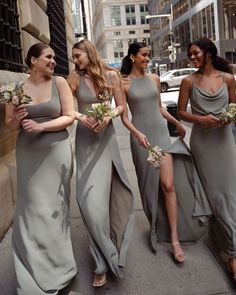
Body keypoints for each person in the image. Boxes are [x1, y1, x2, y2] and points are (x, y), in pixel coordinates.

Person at [120, 42, 212, 262]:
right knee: (150, 188)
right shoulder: (123, 82)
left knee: (168, 186)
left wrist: (177, 123)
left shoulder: (153, 79)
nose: (147, 59)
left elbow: (159, 108)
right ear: (133, 57)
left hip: (161, 135)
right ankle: (155, 227)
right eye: (143, 55)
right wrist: (137, 134)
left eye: (148, 55)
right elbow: (124, 116)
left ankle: (174, 239)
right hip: (141, 139)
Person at [5, 43, 78, 294]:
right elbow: (10, 125)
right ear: (33, 61)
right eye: (48, 57)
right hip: (28, 154)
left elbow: (69, 116)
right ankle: (33, 271)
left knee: (55, 209)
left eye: (54, 57)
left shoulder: (59, 83)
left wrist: (41, 127)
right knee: (33, 209)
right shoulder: (13, 88)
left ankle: (60, 268)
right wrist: (16, 117)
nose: (53, 61)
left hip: (56, 152)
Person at [66, 39, 134, 287]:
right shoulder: (72, 79)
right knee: (89, 204)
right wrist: (81, 117)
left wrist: (108, 116)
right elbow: (66, 108)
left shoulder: (111, 76)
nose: (75, 60)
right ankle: (104, 257)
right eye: (73, 57)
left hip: (107, 143)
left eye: (78, 55)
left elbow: (121, 106)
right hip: (85, 142)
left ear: (89, 53)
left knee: (105, 203)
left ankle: (101, 263)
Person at [178, 37, 236, 281]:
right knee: (215, 195)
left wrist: (228, 117)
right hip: (203, 144)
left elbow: (235, 106)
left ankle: (229, 242)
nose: (192, 57)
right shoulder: (188, 81)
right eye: (190, 54)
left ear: (208, 53)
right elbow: (181, 112)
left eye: (195, 52)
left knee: (230, 193)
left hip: (225, 142)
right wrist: (201, 119)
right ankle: (233, 254)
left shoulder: (229, 79)